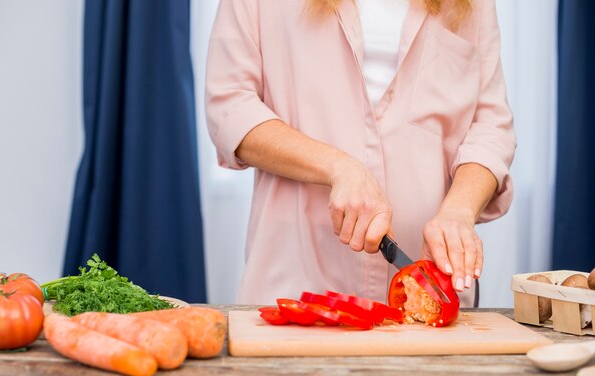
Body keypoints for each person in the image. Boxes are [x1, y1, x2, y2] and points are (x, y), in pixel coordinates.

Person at [205, 0, 516, 307]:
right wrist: (338, 167)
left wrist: (460, 210)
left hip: (429, 296)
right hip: (296, 281)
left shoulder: (475, 5)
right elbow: (230, 106)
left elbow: (491, 127)